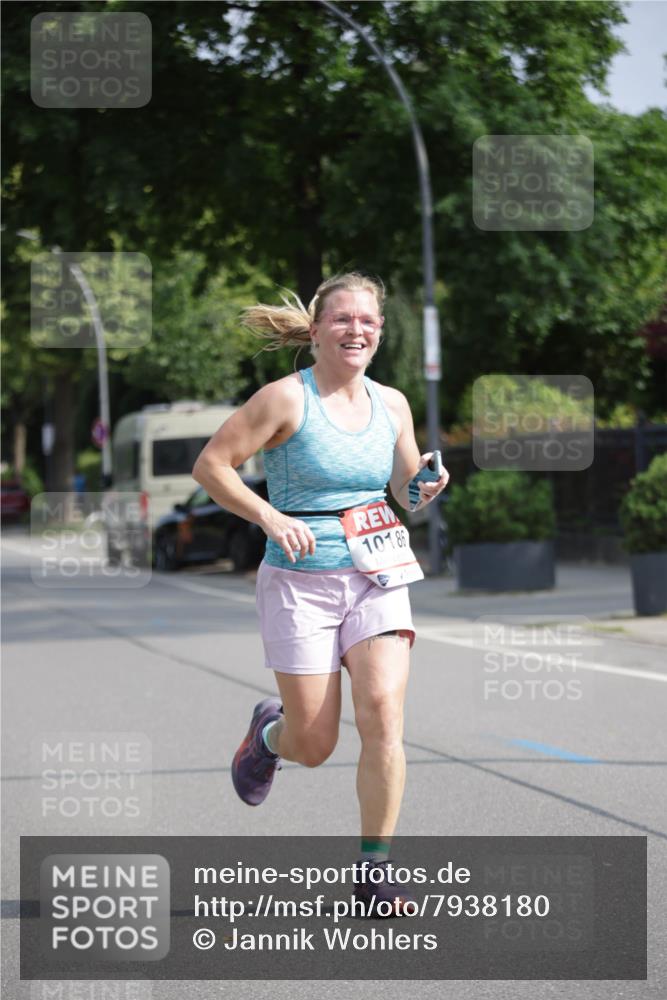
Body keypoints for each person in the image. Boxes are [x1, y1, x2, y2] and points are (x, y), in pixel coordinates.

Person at [192, 272, 449, 916]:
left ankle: (374, 873)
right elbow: (211, 465)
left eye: (368, 320)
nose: (356, 329)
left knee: (384, 713)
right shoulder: (284, 399)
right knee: (315, 745)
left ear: (380, 332)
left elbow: (403, 489)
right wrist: (270, 517)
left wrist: (424, 487)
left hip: (377, 576)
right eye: (342, 319)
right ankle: (268, 736)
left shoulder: (392, 405)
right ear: (316, 330)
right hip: (300, 585)